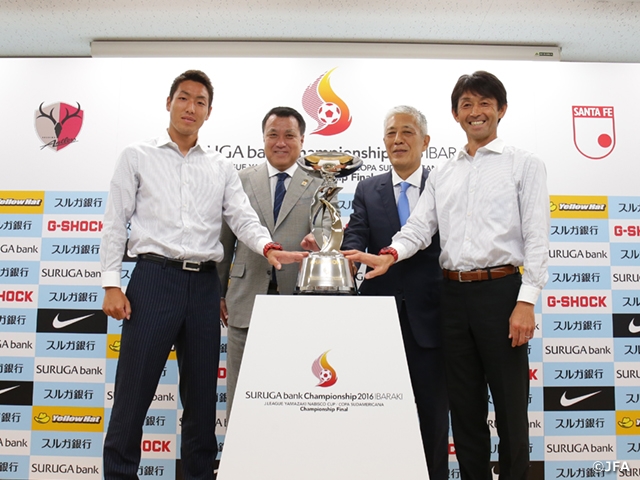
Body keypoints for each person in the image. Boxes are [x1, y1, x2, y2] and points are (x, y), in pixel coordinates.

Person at [100, 70, 305, 480]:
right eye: (184, 98)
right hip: (153, 281)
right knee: (132, 394)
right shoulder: (137, 155)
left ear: (209, 112)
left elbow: (243, 217)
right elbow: (114, 220)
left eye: (200, 102)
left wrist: (266, 246)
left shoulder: (220, 167)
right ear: (169, 102)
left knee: (200, 404)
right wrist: (110, 283)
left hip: (203, 287)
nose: (190, 107)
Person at [344, 71, 549, 480]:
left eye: (484, 103)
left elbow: (537, 238)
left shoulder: (525, 164)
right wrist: (388, 255)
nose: (476, 112)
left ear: (501, 110)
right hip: (452, 299)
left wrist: (526, 301)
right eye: (467, 105)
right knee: (464, 409)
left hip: (502, 294)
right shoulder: (444, 174)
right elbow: (419, 229)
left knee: (510, 407)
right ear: (456, 115)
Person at [341, 105, 448, 480]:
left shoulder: (443, 182)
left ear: (425, 141)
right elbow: (356, 235)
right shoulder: (367, 189)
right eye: (390, 133)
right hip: (377, 318)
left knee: (433, 415)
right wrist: (345, 255)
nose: (397, 140)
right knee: (377, 410)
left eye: (407, 132)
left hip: (432, 318)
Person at [218, 106, 323, 416]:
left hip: (298, 300)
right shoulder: (240, 179)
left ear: (302, 140)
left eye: (289, 135)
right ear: (262, 139)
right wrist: (218, 292)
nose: (281, 142)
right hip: (245, 298)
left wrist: (320, 242)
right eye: (273, 135)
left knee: (293, 395)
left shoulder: (318, 181)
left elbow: (326, 232)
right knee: (241, 396)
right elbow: (225, 241)